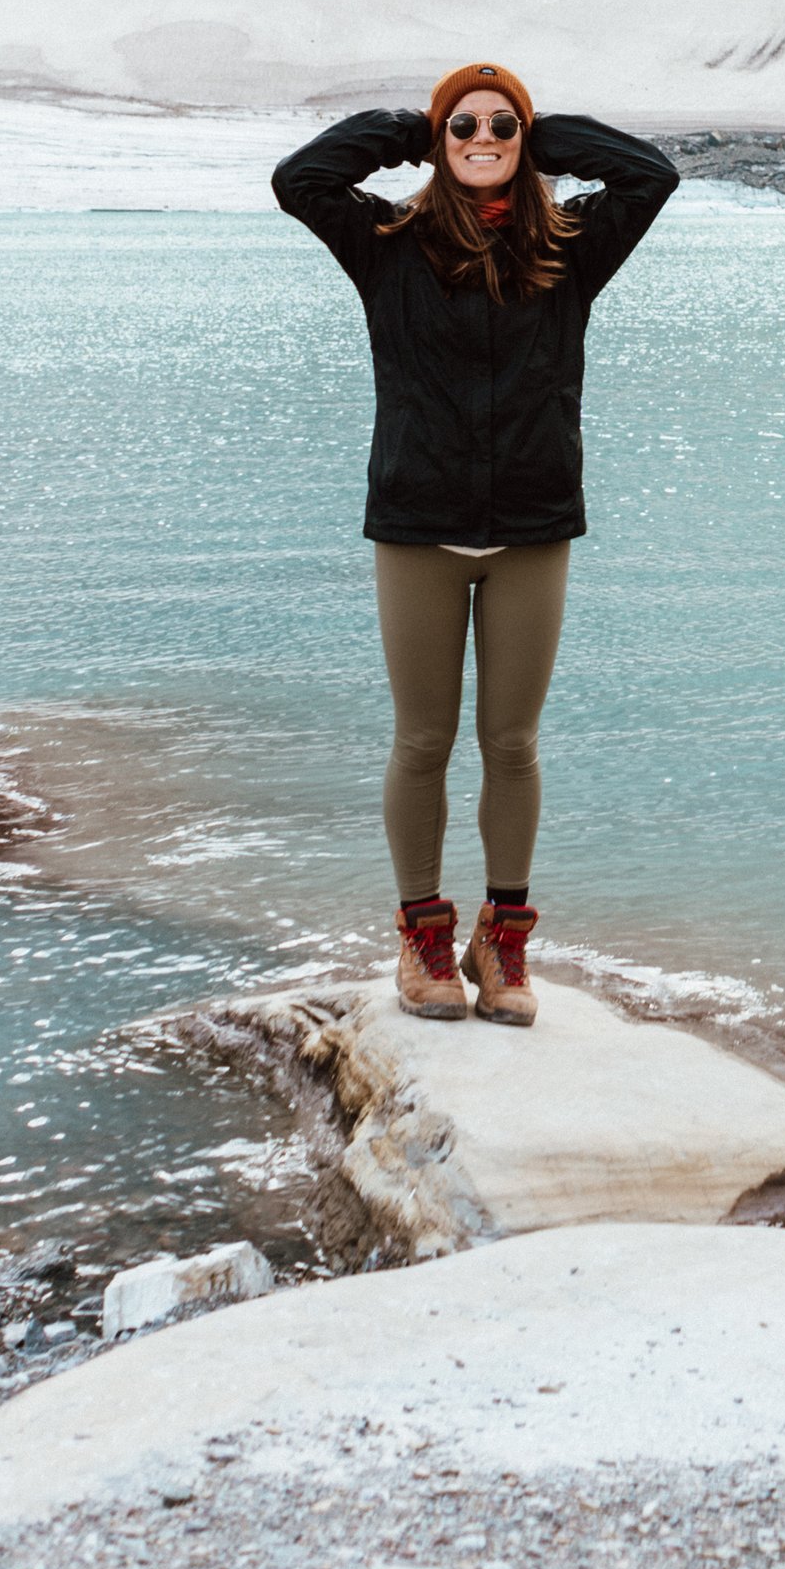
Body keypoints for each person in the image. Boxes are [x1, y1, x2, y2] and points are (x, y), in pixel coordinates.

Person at [272, 64, 678, 1027]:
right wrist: (409, 128)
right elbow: (302, 181)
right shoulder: (386, 243)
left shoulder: (574, 248)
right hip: (418, 525)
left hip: (533, 530)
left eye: (501, 125)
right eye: (465, 125)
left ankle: (502, 945)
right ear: (440, 137)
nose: (482, 137)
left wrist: (540, 136)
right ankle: (422, 940)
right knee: (424, 739)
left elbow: (649, 176)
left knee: (512, 741)